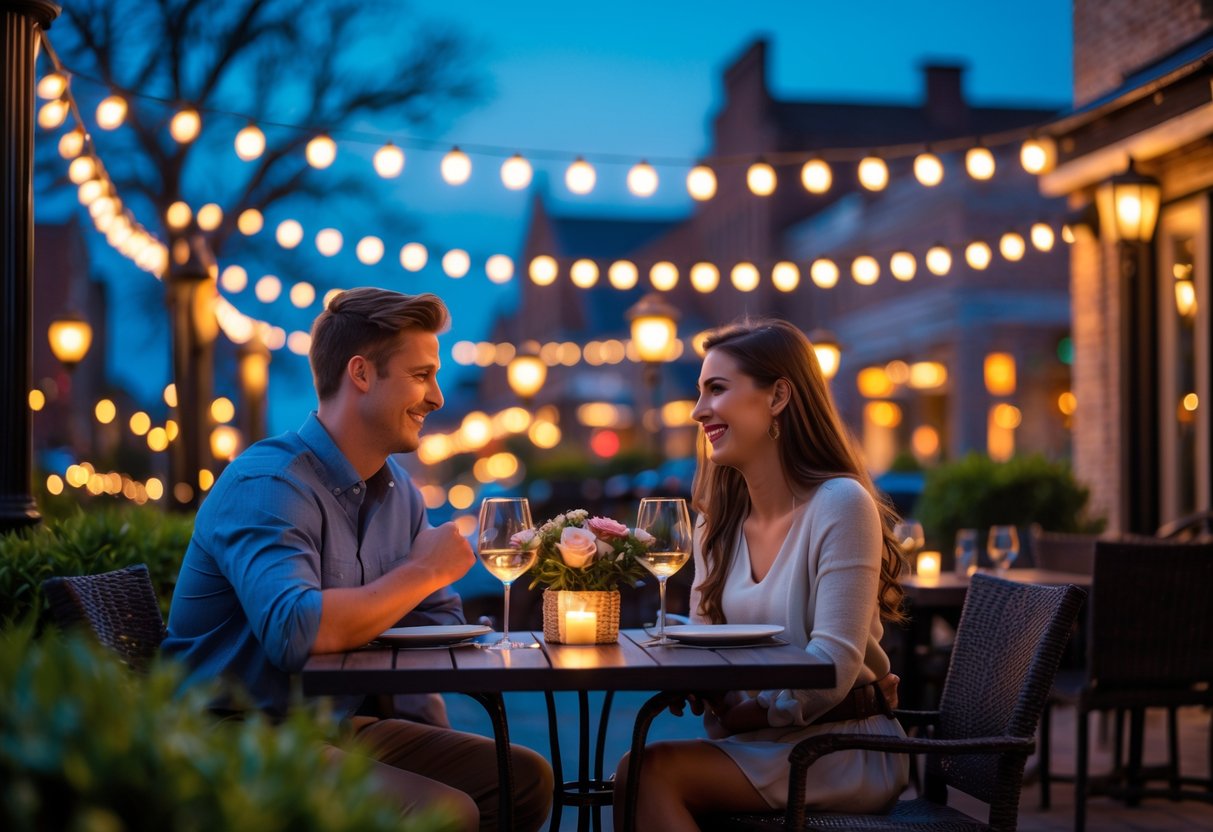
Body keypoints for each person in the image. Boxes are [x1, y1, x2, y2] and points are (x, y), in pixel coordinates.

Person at [162, 288, 553, 832]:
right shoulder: (270, 483)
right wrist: (423, 571)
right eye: (421, 376)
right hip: (231, 732)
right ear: (361, 374)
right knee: (447, 813)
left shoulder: (399, 493)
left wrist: (428, 717)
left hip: (331, 723)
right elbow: (295, 629)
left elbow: (437, 621)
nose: (437, 397)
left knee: (524, 780)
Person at [614, 319, 909, 830]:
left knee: (648, 771)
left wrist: (748, 712)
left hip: (838, 747)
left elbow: (833, 666)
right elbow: (705, 641)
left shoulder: (840, 504)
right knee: (636, 769)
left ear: (777, 397)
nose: (697, 410)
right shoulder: (716, 521)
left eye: (717, 389)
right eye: (700, 391)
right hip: (751, 744)